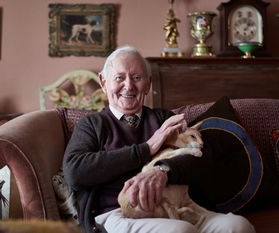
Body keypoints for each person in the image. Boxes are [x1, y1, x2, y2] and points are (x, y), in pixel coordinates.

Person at [62, 45, 255, 233]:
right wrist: (147, 148)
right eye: (119, 78)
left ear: (148, 83)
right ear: (104, 83)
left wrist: (164, 171)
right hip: (118, 214)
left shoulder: (163, 119)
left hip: (178, 208)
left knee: (238, 227)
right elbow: (75, 172)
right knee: (180, 231)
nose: (128, 85)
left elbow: (201, 158)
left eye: (137, 78)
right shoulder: (92, 124)